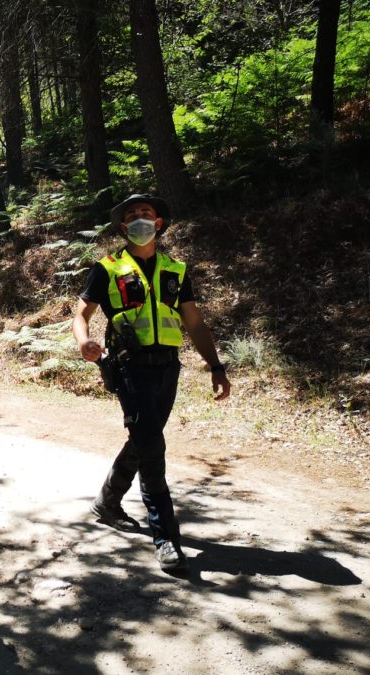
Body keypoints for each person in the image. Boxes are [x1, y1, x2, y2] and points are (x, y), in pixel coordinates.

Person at [73, 193, 232, 572]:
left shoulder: (175, 269)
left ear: (158, 223)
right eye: (132, 215)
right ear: (123, 226)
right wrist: (84, 342)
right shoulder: (108, 267)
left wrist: (216, 366)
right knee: (152, 448)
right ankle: (165, 538)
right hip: (129, 367)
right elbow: (80, 314)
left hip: (168, 367)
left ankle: (108, 502)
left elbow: (194, 322)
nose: (140, 217)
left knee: (144, 439)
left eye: (146, 212)